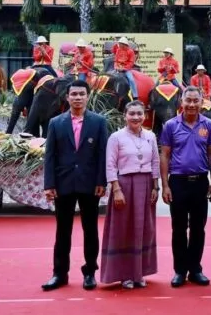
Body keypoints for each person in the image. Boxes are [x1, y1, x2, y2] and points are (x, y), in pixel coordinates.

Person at [42, 80, 109, 291]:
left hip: (90, 184)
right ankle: (59, 274)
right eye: (74, 94)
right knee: (63, 231)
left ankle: (90, 272)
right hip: (63, 183)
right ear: (67, 97)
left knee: (90, 230)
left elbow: (102, 155)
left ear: (87, 97)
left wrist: (101, 181)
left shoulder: (99, 122)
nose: (77, 97)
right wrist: (49, 184)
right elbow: (50, 156)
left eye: (81, 94)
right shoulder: (56, 123)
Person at [159, 86, 211, 288]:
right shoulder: (170, 125)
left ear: (202, 102)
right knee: (179, 228)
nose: (192, 104)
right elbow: (164, 155)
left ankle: (195, 269)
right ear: (181, 102)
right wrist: (165, 185)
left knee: (198, 229)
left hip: (200, 181)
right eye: (188, 101)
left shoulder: (208, 125)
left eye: (196, 101)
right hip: (178, 182)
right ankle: (180, 270)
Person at [101, 101, 160, 289]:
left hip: (146, 185)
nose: (136, 117)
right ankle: (125, 273)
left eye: (139, 114)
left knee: (144, 229)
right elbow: (110, 165)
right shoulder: (116, 137)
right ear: (125, 116)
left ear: (145, 115)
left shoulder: (151, 136)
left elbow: (156, 162)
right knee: (123, 229)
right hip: (124, 185)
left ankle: (139, 273)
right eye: (132, 113)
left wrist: (155, 187)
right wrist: (116, 189)